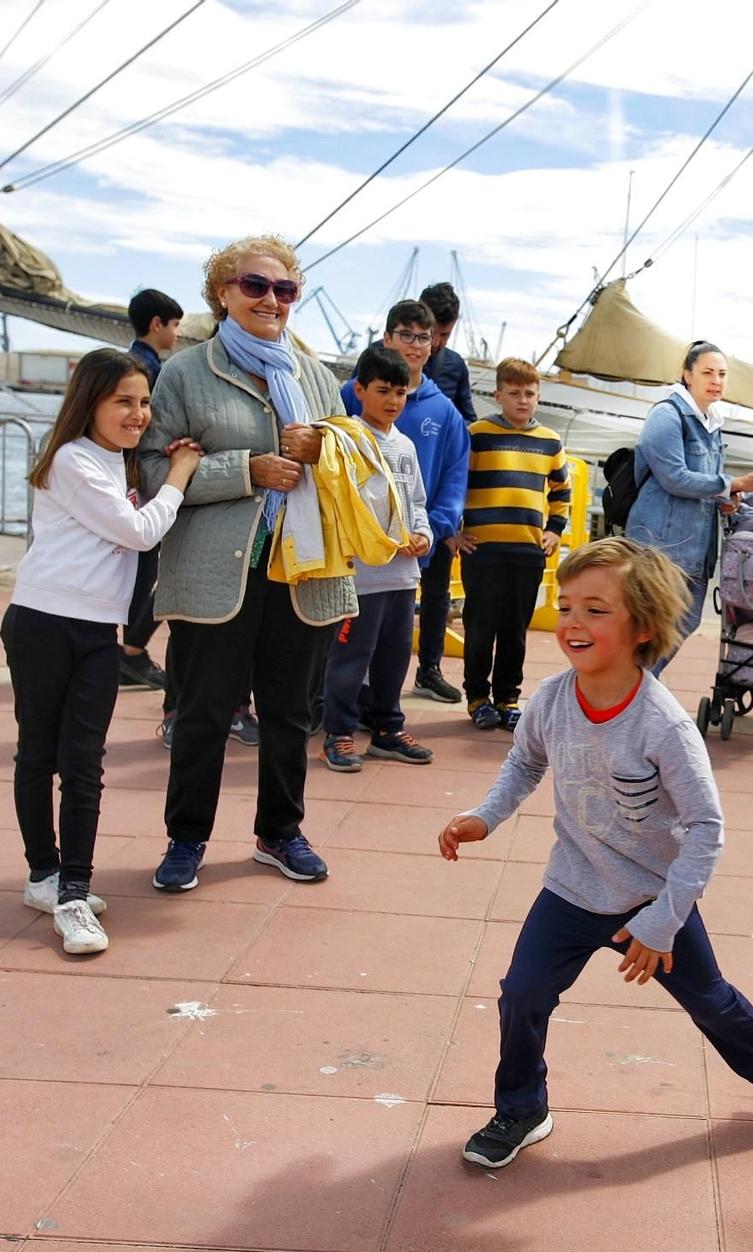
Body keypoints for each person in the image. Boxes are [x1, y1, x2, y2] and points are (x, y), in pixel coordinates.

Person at [438, 537, 753, 1169]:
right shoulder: (550, 700)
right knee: (522, 994)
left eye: (596, 610)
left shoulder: (664, 726)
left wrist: (659, 923)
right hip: (572, 890)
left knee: (713, 1004)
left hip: (653, 899)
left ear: (644, 628)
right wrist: (483, 817)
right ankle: (521, 1108)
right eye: (566, 606)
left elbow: (707, 826)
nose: (573, 622)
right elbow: (524, 762)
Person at [137, 235, 355, 892]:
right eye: (255, 286)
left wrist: (324, 450)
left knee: (290, 711)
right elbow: (151, 472)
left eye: (284, 289)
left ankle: (280, 831)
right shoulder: (185, 373)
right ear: (224, 294)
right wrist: (244, 471)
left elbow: (353, 474)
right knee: (204, 711)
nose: (271, 300)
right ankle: (187, 838)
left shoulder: (317, 378)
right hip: (217, 570)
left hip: (302, 568)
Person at [5, 349, 201, 953]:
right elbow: (139, 532)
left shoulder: (115, 467)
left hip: (95, 631)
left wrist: (151, 482)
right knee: (39, 753)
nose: (137, 413)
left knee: (84, 760)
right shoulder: (71, 460)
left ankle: (71, 887)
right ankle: (50, 880)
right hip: (41, 620)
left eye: (144, 402)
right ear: (89, 401)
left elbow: (128, 525)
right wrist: (181, 473)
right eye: (123, 401)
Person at [343, 300, 470, 705]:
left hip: (418, 540)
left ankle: (422, 676)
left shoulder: (444, 411)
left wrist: (436, 525)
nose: (415, 345)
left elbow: (454, 472)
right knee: (351, 631)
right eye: (406, 335)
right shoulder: (350, 394)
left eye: (423, 337)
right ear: (387, 338)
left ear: (434, 345)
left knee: (417, 617)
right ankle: (338, 705)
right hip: (357, 547)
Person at [622, 341, 753, 672]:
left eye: (722, 374)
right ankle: (632, 691)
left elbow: (706, 480)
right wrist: (733, 483)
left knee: (684, 623)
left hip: (697, 546)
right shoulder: (667, 414)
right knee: (650, 627)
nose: (716, 380)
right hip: (661, 544)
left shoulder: (711, 421)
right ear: (687, 375)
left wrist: (728, 498)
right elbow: (674, 477)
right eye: (707, 373)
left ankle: (638, 687)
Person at [323, 344, 435, 772]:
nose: (392, 401)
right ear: (359, 390)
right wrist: (384, 540)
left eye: (400, 393)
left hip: (404, 575)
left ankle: (387, 729)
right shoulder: (347, 439)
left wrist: (423, 534)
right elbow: (343, 503)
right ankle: (338, 732)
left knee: (394, 656)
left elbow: (417, 501)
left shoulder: (405, 445)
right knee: (351, 656)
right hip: (361, 576)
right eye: (383, 390)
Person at [460, 357, 572, 730]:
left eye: (529, 394)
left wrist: (555, 530)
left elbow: (561, 491)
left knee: (514, 630)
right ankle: (477, 697)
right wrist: (454, 530)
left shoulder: (550, 441)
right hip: (483, 549)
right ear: (498, 395)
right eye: (514, 393)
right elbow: (454, 483)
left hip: (528, 551)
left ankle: (508, 697)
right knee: (480, 626)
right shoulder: (477, 434)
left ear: (538, 397)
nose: (522, 400)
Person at [120, 288, 183, 693]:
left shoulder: (134, 364)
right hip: (149, 478)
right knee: (154, 570)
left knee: (143, 569)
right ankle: (130, 653)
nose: (178, 333)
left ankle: (129, 650)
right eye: (174, 325)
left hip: (133, 476)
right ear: (156, 324)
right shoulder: (148, 371)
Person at [419, 281, 478, 423]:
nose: (435, 343)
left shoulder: (456, 365)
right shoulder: (377, 355)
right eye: (431, 333)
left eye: (445, 335)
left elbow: (468, 423)